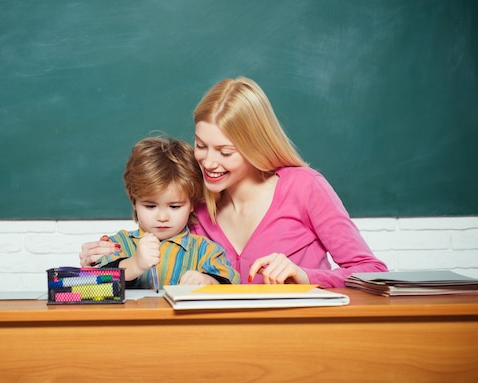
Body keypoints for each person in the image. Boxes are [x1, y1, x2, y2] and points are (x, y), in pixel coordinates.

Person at [81, 77, 387, 288]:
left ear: (255, 145)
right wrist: (102, 262)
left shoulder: (304, 188)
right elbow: (156, 251)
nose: (209, 163)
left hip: (295, 339)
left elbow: (371, 273)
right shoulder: (195, 200)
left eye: (225, 152)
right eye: (201, 145)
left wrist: (305, 276)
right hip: (219, 349)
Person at [96, 136, 240, 289]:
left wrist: (207, 281)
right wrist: (135, 265)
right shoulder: (118, 244)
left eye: (175, 207)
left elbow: (230, 284)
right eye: (150, 206)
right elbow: (97, 283)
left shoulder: (205, 250)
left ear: (192, 204)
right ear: (134, 202)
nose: (162, 217)